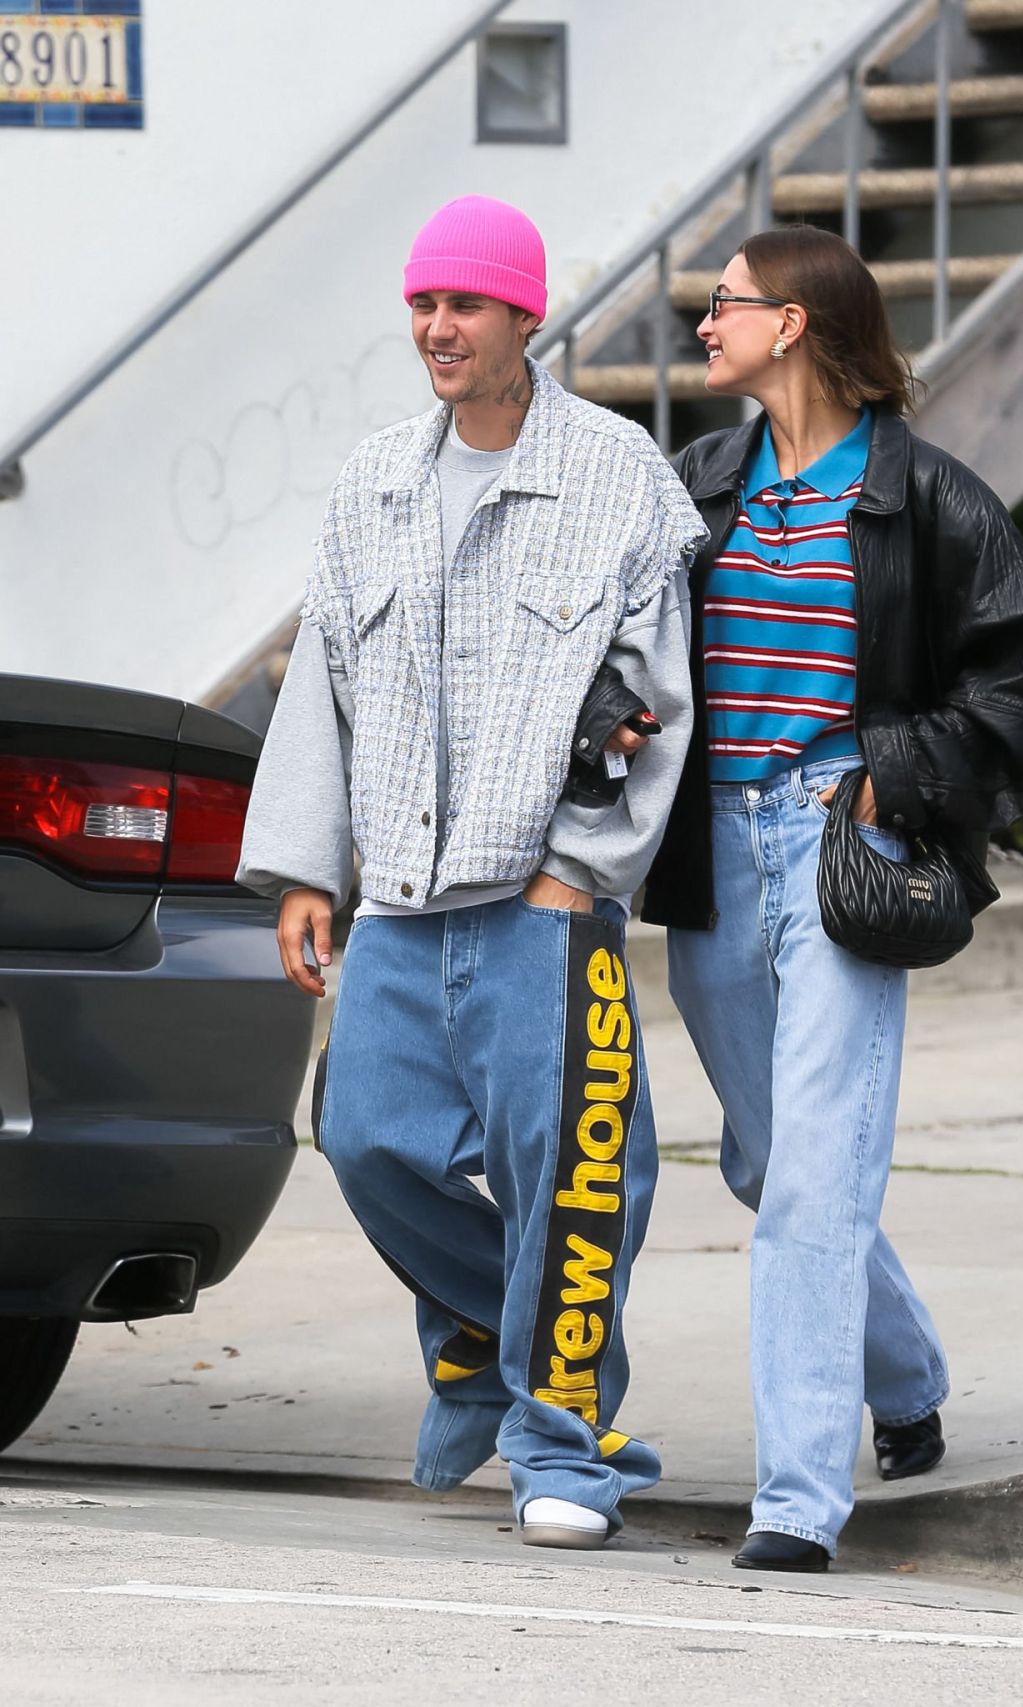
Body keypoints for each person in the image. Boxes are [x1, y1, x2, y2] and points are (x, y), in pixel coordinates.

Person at [237, 195, 706, 1551]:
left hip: (538, 901)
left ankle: (567, 1449)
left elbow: (650, 691)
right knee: (365, 1139)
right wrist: (305, 872)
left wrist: (583, 867)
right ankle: (478, 1350)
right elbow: (319, 676)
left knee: (570, 1176)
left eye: (467, 306)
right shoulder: (375, 479)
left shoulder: (617, 477)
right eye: (425, 305)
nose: (438, 329)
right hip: (397, 899)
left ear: (524, 318)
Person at [642, 224, 1023, 1573]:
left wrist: (889, 779)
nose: (704, 325)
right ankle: (907, 1373)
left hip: (843, 846)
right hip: (712, 855)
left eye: (726, 305)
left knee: (819, 1178)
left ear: (799, 326)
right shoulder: (700, 486)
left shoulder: (928, 501)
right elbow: (632, 654)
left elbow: (1015, 696)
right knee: (772, 1163)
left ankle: (798, 1500)